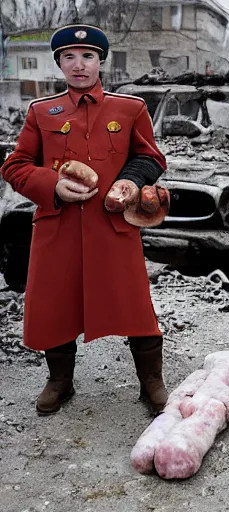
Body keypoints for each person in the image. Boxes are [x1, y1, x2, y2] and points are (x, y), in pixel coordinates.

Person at [1, 24, 169, 416]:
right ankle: (60, 381)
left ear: (100, 61)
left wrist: (129, 181)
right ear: (59, 63)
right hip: (56, 228)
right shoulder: (40, 111)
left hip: (113, 229)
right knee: (54, 308)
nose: (79, 65)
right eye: (70, 57)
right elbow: (15, 166)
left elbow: (151, 158)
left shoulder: (130, 109)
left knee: (135, 308)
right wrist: (52, 184)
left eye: (88, 56)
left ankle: (152, 383)